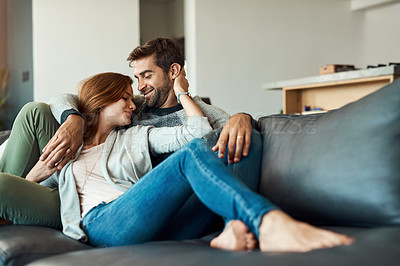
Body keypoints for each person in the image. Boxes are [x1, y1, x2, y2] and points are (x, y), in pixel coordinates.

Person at [23, 70, 353, 252]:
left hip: (151, 223)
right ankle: (268, 222)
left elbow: (197, 133)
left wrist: (185, 93)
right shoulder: (70, 146)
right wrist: (68, 127)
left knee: (242, 137)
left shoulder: (138, 136)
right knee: (189, 159)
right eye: (124, 97)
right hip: (102, 224)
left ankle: (231, 230)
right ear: (100, 101)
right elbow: (38, 181)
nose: (132, 103)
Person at [0, 37, 261, 239]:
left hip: (150, 199)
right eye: (137, 78)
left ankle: (240, 224)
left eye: (147, 76)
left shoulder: (195, 111)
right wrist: (73, 118)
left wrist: (243, 116)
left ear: (173, 71)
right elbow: (77, 97)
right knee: (35, 111)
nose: (139, 88)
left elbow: (216, 129)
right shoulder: (136, 104)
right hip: (89, 182)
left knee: (220, 148)